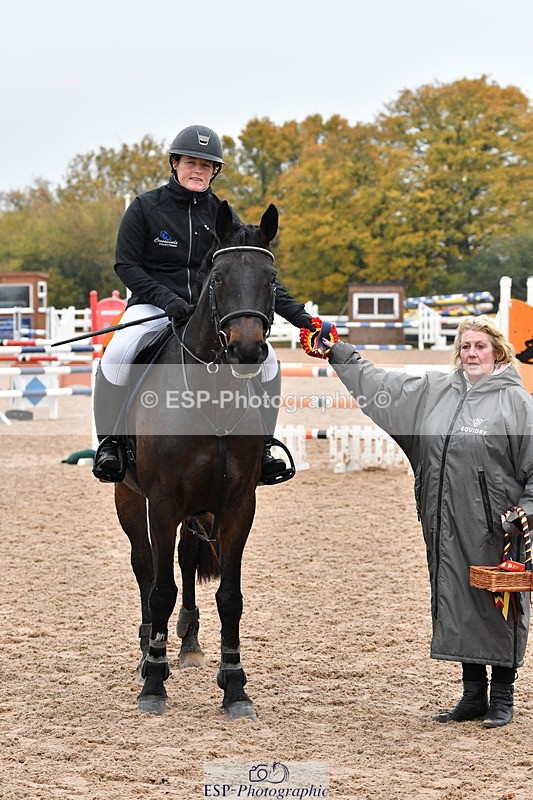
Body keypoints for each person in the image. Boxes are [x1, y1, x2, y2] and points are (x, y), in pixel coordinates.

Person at [322, 315, 533, 728]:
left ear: (498, 352)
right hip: (444, 522)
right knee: (457, 600)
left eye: (480, 347)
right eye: (466, 346)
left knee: (500, 606)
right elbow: (381, 385)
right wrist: (337, 351)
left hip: (498, 528)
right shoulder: (438, 390)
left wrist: (525, 512)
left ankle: (502, 698)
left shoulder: (517, 403)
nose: (472, 353)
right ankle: (472, 695)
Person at [92, 124, 315, 483]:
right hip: (153, 306)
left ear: (215, 171)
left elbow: (253, 274)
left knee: (269, 362)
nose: (198, 170)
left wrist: (304, 319)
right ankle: (111, 444)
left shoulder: (224, 217)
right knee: (118, 353)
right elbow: (126, 265)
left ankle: (264, 447)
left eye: (206, 165)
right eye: (191, 162)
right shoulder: (146, 208)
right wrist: (167, 300)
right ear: (175, 163)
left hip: (210, 313)